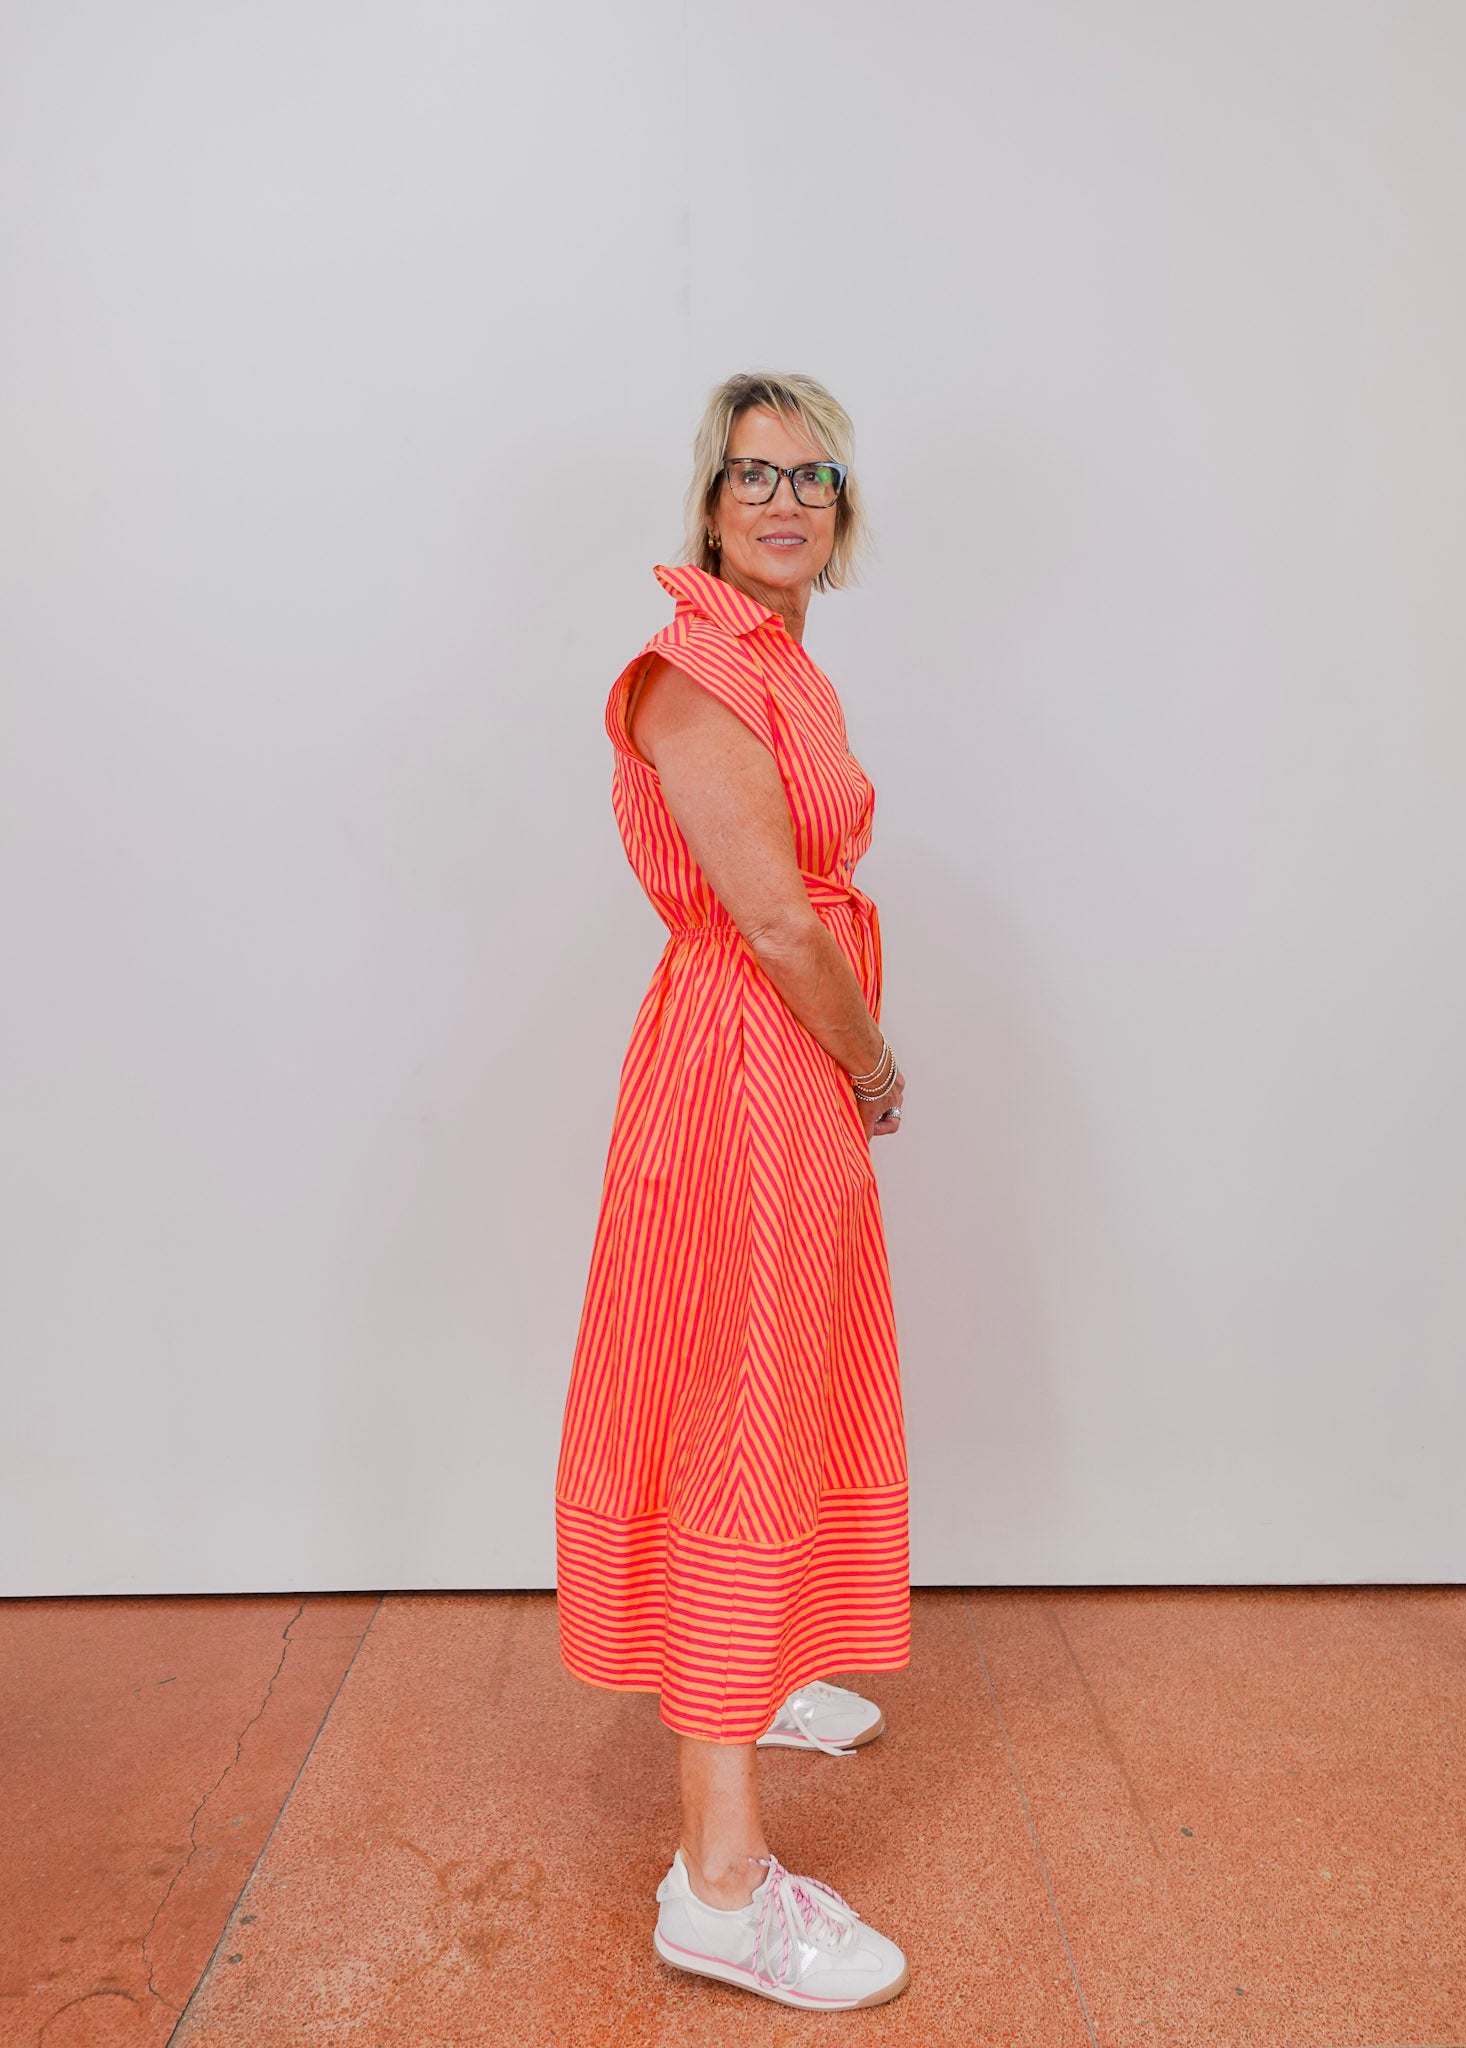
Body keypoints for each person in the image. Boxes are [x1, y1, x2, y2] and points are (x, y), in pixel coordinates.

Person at [554, 371, 910, 2011]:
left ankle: (757, 1664)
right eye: (753, 475)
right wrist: (873, 1064)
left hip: (769, 1069)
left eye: (814, 476)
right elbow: (774, 921)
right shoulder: (694, 670)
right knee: (736, 1407)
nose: (785, 499)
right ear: (707, 506)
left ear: (840, 512)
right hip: (748, 1063)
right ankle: (717, 1886)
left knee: (779, 1384)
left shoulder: (781, 661)